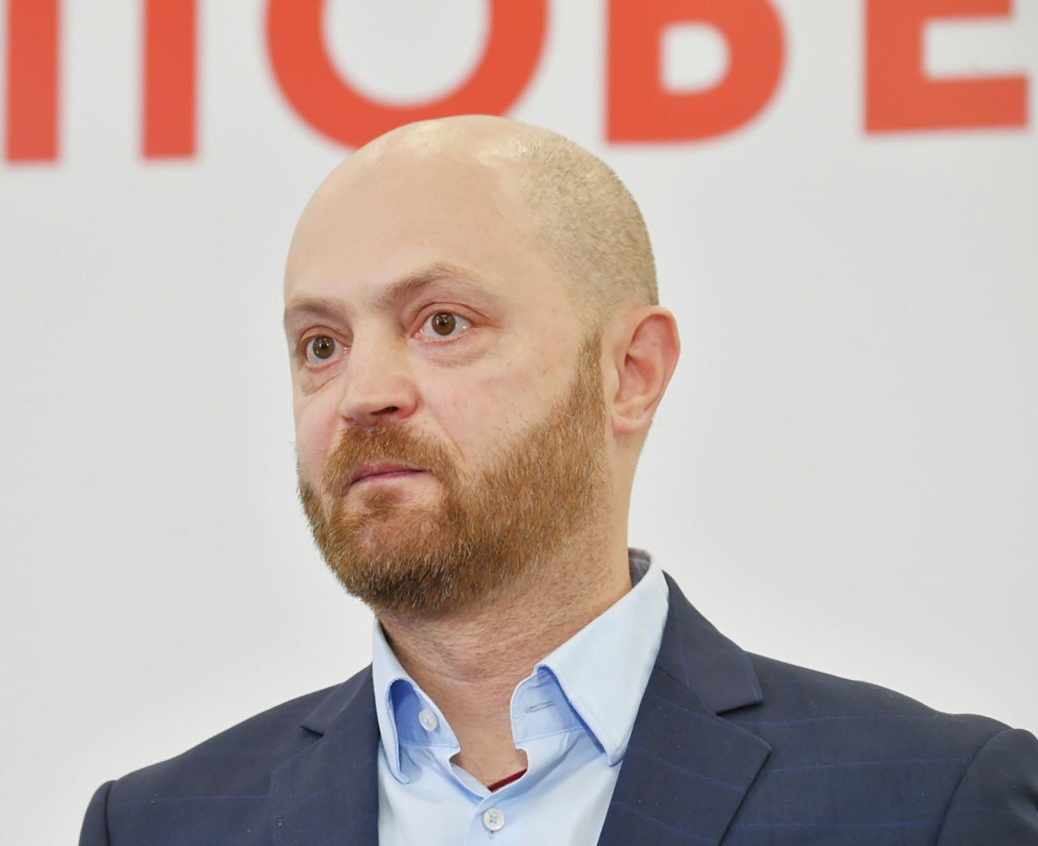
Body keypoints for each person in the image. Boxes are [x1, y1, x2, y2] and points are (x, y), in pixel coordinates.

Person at [79, 116, 1038, 845]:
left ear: (630, 372)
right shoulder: (160, 826)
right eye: (321, 345)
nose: (362, 393)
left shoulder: (929, 800)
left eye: (442, 323)